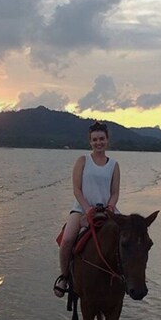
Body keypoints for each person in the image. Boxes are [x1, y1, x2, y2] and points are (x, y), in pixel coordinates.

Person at [54, 121, 120, 298]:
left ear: (107, 140)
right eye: (95, 139)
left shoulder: (114, 164)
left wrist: (111, 207)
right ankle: (64, 277)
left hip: (107, 210)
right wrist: (87, 209)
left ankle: (126, 277)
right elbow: (77, 189)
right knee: (67, 240)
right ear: (90, 142)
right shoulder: (83, 160)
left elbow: (114, 192)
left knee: (128, 239)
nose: (98, 142)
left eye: (102, 139)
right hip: (81, 209)